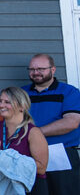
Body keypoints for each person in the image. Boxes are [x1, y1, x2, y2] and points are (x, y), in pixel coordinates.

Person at [23, 53, 80, 195]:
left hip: (61, 154)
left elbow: (72, 122)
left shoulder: (69, 91)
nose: (36, 73)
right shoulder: (21, 93)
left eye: (41, 69)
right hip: (28, 153)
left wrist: (34, 133)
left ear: (53, 70)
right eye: (32, 69)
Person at [0, 87, 50, 195]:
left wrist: (2, 157)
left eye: (7, 102)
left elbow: (41, 168)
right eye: (0, 101)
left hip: (29, 188)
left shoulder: (33, 132)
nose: (1, 105)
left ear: (22, 107)